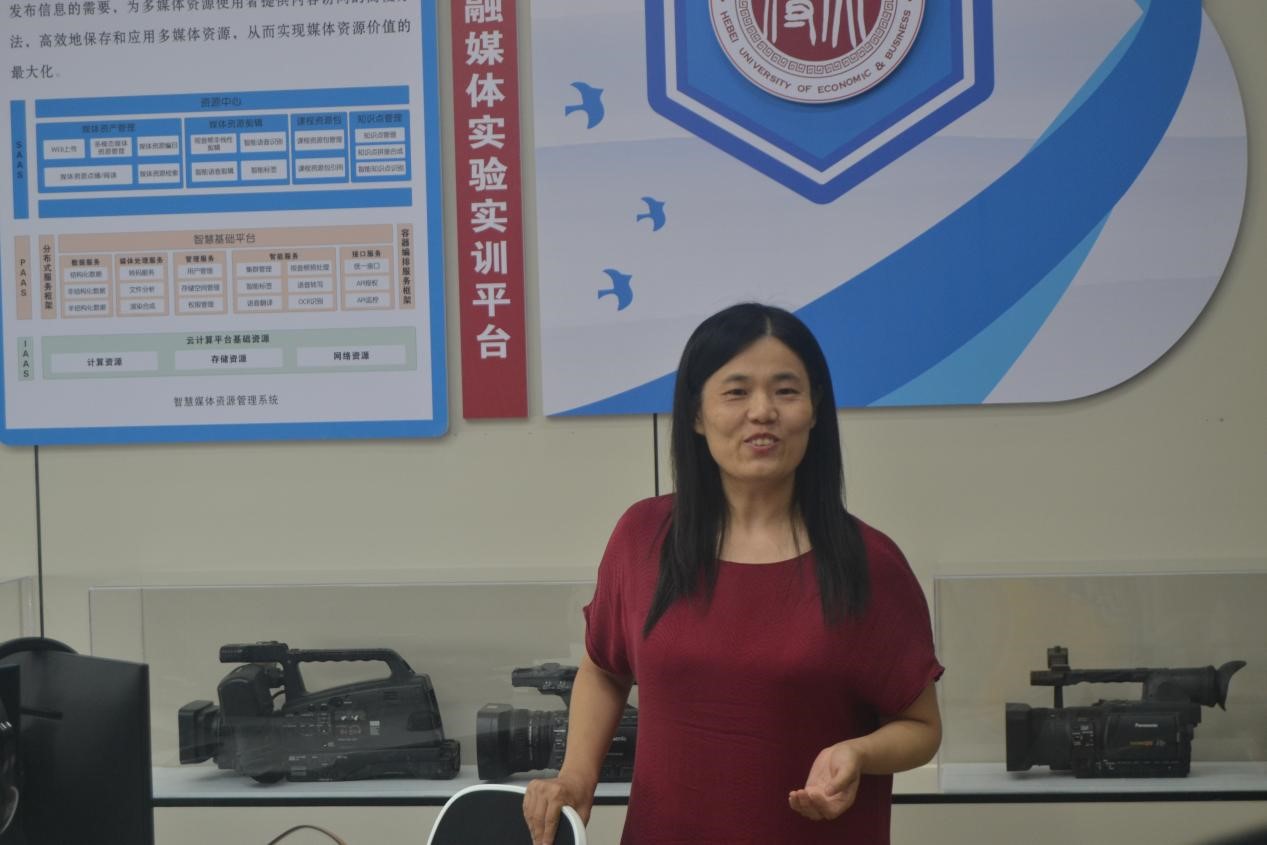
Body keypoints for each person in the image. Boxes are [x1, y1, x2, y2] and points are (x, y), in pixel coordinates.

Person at [524, 303, 943, 845]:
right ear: (697, 414)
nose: (763, 411)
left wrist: (857, 752)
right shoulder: (642, 538)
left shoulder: (868, 562)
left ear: (815, 409)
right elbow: (605, 669)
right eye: (737, 391)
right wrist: (577, 778)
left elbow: (921, 728)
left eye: (786, 391)